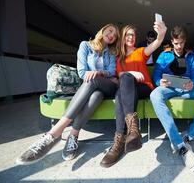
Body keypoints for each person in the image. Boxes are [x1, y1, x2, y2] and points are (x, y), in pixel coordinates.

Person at [16, 24, 120, 165]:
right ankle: (73, 135)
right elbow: (82, 72)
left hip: (108, 86)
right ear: (102, 31)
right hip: (93, 88)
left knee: (94, 80)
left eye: (115, 35)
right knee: (96, 96)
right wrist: (96, 74)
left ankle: (54, 133)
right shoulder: (86, 46)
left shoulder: (112, 52)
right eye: (110, 31)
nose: (112, 35)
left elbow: (112, 72)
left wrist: (100, 72)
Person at [150, 26, 194, 172]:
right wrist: (160, 82)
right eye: (176, 43)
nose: (178, 46)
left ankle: (189, 135)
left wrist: (193, 84)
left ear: (184, 42)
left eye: (181, 43)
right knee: (154, 94)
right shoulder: (164, 55)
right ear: (172, 42)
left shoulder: (190, 57)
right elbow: (156, 74)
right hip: (169, 88)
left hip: (188, 88)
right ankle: (178, 143)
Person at [100, 21, 167, 167]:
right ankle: (120, 139)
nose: (131, 37)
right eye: (128, 35)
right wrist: (131, 73)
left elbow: (156, 44)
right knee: (120, 92)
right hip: (127, 90)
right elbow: (119, 76)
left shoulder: (141, 51)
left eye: (133, 35)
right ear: (123, 37)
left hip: (144, 87)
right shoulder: (118, 58)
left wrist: (160, 36)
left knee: (124, 81)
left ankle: (131, 131)